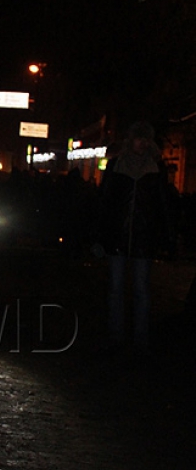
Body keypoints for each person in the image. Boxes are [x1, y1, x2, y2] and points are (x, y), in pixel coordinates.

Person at [96, 120, 174, 352]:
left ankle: (141, 338)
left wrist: (166, 236)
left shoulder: (156, 170)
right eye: (139, 138)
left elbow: (163, 205)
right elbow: (105, 202)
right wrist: (100, 235)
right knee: (116, 288)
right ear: (131, 141)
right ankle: (116, 335)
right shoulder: (116, 167)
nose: (142, 143)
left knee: (141, 289)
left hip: (143, 237)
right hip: (118, 236)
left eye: (145, 139)